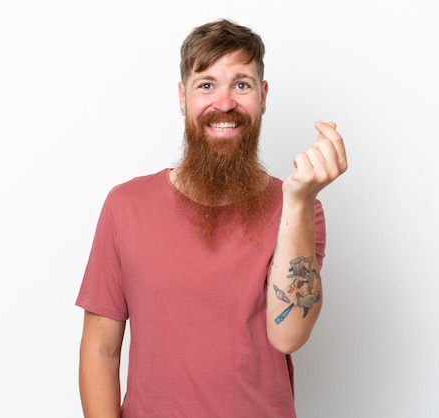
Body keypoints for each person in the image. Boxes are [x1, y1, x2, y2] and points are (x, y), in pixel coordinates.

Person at [76, 18, 347, 418]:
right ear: (183, 96)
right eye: (207, 85)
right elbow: (101, 349)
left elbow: (288, 334)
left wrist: (297, 200)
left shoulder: (299, 209)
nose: (224, 103)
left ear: (263, 95)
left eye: (242, 84)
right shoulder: (125, 206)